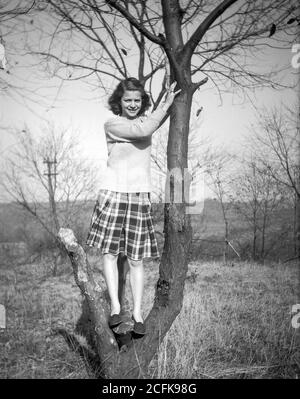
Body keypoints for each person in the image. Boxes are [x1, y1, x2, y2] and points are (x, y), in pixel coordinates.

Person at [86, 77, 180, 336]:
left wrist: (166, 101)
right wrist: (166, 104)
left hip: (139, 197)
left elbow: (147, 126)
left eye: (137, 100)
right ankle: (116, 308)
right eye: (127, 99)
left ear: (143, 102)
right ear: (119, 101)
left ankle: (137, 313)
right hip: (113, 194)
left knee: (136, 260)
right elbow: (144, 130)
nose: (132, 104)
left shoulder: (145, 122)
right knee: (109, 254)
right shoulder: (113, 123)